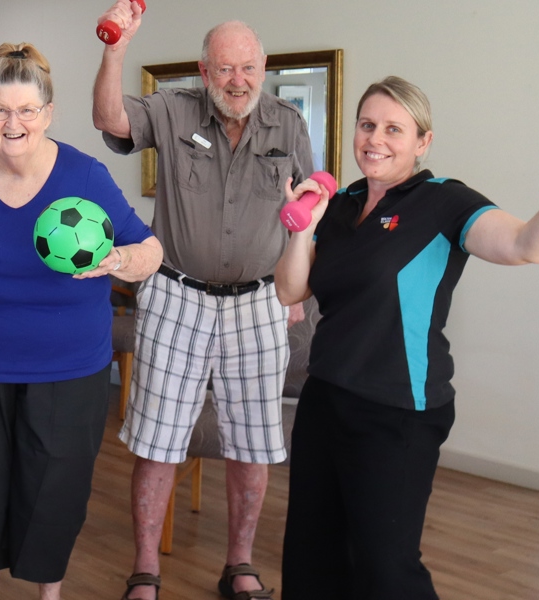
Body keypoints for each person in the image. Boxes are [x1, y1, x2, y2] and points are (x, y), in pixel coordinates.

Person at [274, 77, 539, 599]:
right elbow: (291, 289)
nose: (375, 139)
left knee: (386, 568)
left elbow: (525, 245)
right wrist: (302, 227)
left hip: (398, 411)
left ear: (422, 141)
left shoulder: (443, 201)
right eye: (367, 125)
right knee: (312, 556)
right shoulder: (341, 203)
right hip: (325, 398)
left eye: (393, 129)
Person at [0, 43, 162, 600]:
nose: (13, 123)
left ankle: (49, 595)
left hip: (70, 369)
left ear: (47, 112)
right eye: (1, 110)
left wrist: (114, 261)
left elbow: (150, 250)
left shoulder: (85, 175)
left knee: (55, 492)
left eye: (26, 110)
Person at [92, 8, 315, 598]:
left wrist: (299, 282)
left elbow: (311, 204)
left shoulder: (288, 124)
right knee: (158, 440)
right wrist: (116, 48)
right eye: (224, 68)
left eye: (247, 67)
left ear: (263, 68)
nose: (237, 79)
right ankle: (146, 569)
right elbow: (108, 117)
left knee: (253, 443)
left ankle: (239, 565)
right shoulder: (171, 108)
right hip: (175, 294)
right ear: (204, 70)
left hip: (259, 301)